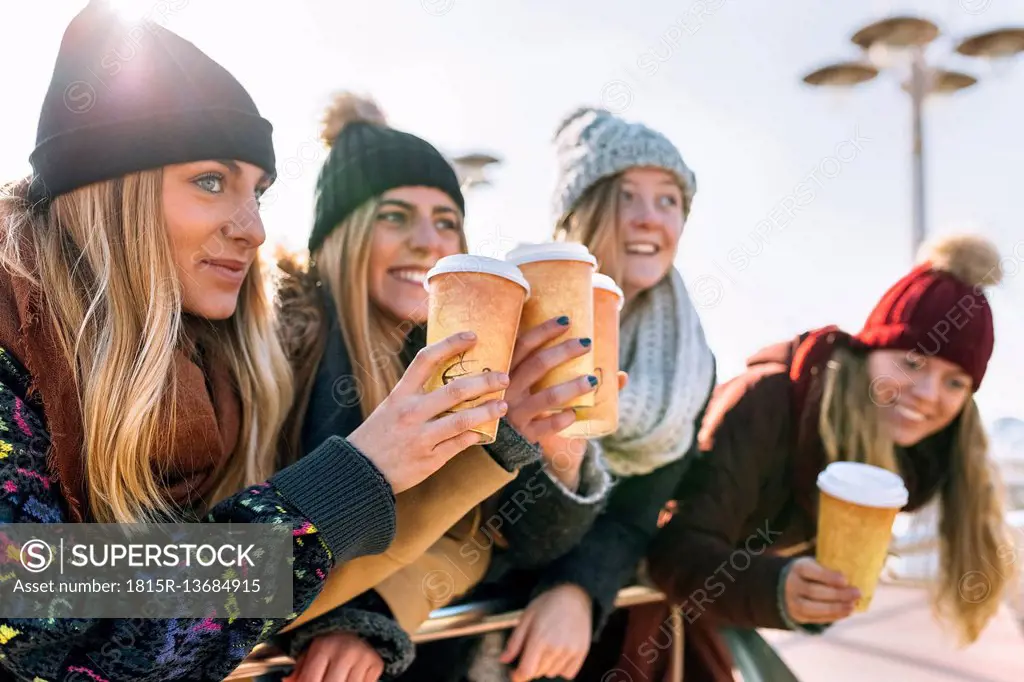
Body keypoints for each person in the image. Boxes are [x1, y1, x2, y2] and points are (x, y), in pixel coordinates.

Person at [0, 5, 508, 681]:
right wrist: (355, 474)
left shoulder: (229, 366)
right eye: (210, 181)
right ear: (109, 192)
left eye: (259, 193)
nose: (253, 229)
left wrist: (514, 435)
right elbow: (55, 630)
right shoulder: (12, 351)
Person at [269, 94, 612, 682]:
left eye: (447, 221)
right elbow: (210, 569)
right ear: (341, 235)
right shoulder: (272, 351)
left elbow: (495, 539)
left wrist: (560, 455)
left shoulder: (469, 359)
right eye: (394, 216)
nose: (429, 241)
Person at [406, 107, 716, 682]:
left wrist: (579, 588)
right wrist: (550, 455)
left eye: (669, 199)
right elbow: (460, 500)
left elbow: (634, 517)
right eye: (625, 197)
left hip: (563, 648)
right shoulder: (503, 308)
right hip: (450, 616)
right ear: (581, 211)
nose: (650, 219)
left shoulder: (692, 364)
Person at [640, 234, 1017, 681]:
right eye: (913, 362)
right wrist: (777, 587)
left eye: (955, 383)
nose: (929, 395)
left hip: (716, 612)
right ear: (869, 352)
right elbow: (672, 547)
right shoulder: (767, 401)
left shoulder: (920, 457)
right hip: (632, 608)